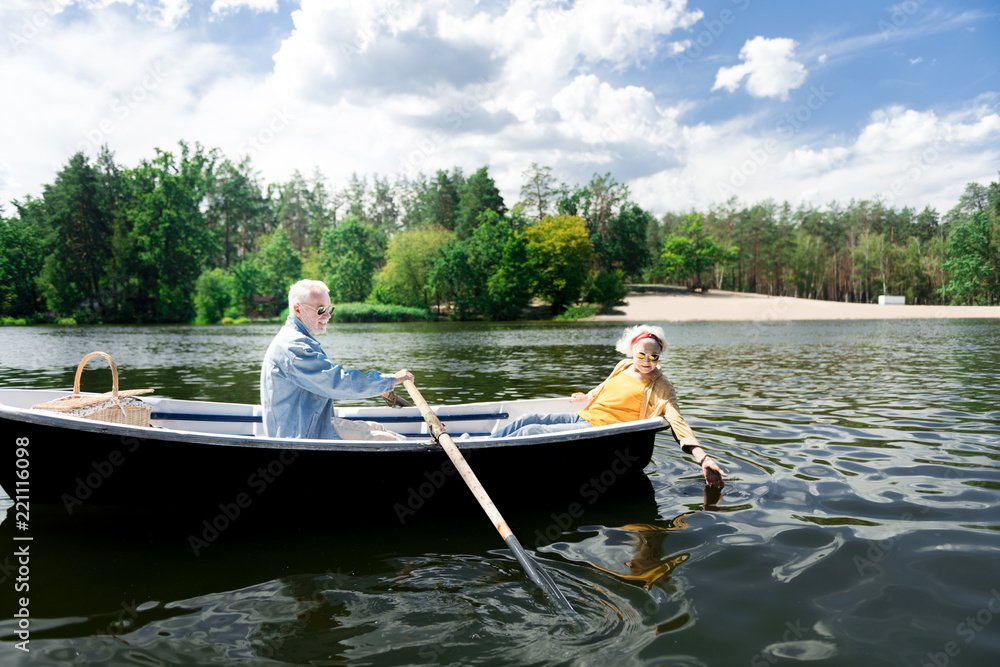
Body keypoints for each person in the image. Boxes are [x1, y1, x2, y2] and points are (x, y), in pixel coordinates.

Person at [491, 324, 726, 487]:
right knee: (524, 420)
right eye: (642, 354)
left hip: (599, 429)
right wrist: (588, 395)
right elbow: (606, 386)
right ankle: (481, 449)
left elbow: (677, 422)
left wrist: (703, 458)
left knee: (530, 432)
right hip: (583, 415)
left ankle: (488, 459)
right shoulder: (623, 365)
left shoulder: (661, 386)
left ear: (659, 356)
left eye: (653, 356)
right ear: (632, 351)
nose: (647, 361)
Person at [260, 279, 414, 441]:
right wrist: (390, 380)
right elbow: (337, 383)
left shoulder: (297, 339)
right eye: (321, 310)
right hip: (300, 435)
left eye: (329, 309)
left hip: (311, 424)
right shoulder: (295, 347)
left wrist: (377, 385)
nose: (327, 316)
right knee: (393, 441)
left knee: (379, 428)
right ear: (298, 309)